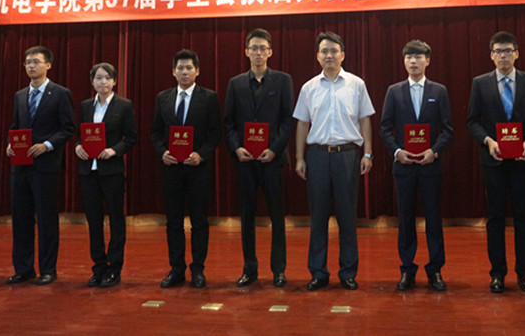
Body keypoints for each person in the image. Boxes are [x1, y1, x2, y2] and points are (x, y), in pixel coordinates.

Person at [294, 31, 375, 291]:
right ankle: (318, 272)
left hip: (347, 156)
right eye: (324, 51)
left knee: (347, 217)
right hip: (317, 156)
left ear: (343, 55)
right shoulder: (309, 87)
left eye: (334, 51)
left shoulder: (356, 84)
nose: (329, 55)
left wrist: (368, 153)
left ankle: (348, 272)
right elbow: (302, 124)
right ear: (317, 56)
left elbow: (365, 119)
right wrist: (299, 157)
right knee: (318, 217)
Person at [467, 32, 525, 294]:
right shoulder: (480, 83)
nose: (503, 55)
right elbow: (472, 121)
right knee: (495, 218)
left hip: (523, 160)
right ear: (491, 55)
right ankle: (497, 274)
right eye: (498, 51)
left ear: (517, 53)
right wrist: (488, 141)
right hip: (494, 161)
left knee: (522, 217)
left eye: (508, 51)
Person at [380, 40, 454, 292]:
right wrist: (397, 151)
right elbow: (384, 128)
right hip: (404, 167)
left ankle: (435, 270)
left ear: (427, 60)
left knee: (433, 218)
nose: (413, 61)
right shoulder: (394, 91)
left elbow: (448, 129)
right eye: (409, 57)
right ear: (404, 61)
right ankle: (407, 270)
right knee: (405, 219)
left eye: (418, 57)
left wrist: (434, 151)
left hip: (430, 165)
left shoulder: (439, 91)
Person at [223, 28, 294, 288]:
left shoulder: (283, 81)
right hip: (245, 161)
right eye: (254, 48)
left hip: (273, 160)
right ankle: (249, 268)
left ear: (270, 52)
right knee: (247, 216)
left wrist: (274, 149)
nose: (258, 53)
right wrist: (236, 148)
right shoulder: (236, 83)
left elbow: (288, 121)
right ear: (246, 52)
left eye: (263, 48)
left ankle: (279, 270)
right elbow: (228, 123)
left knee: (277, 216)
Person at [5, 45, 75, 285]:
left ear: (48, 65)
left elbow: (68, 128)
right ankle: (23, 268)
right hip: (20, 165)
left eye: (35, 61)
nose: (31, 66)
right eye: (27, 62)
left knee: (46, 219)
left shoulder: (60, 93)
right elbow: (15, 127)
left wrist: (47, 145)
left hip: (46, 166)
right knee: (21, 218)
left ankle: (48, 269)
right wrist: (10, 144)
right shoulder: (20, 95)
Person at [151, 49, 221, 289]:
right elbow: (155, 133)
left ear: (197, 71)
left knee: (199, 221)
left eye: (189, 68)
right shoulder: (163, 98)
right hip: (171, 169)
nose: (184, 72)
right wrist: (162, 152)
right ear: (173, 71)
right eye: (180, 68)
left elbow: (215, 132)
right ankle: (176, 269)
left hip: (198, 169)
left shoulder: (209, 98)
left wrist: (201, 154)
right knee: (173, 221)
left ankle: (198, 269)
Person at [73, 62, 137, 288]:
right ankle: (98, 267)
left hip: (112, 171)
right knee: (94, 221)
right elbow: (80, 134)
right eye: (98, 78)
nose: (103, 82)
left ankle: (114, 268)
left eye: (107, 78)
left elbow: (131, 137)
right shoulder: (85, 106)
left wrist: (114, 150)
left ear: (115, 81)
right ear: (92, 82)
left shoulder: (124, 105)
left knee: (116, 220)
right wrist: (78, 146)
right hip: (88, 171)